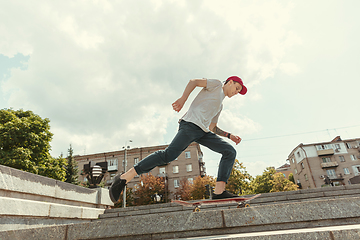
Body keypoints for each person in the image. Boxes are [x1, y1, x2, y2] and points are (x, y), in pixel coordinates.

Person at [109, 76, 247, 202]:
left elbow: (212, 127)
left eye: (238, 92)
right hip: (190, 126)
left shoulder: (220, 106)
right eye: (236, 88)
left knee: (229, 151)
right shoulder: (216, 84)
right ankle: (124, 178)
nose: (236, 93)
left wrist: (229, 135)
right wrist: (183, 99)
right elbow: (194, 82)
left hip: (203, 132)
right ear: (230, 82)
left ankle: (219, 192)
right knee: (168, 156)